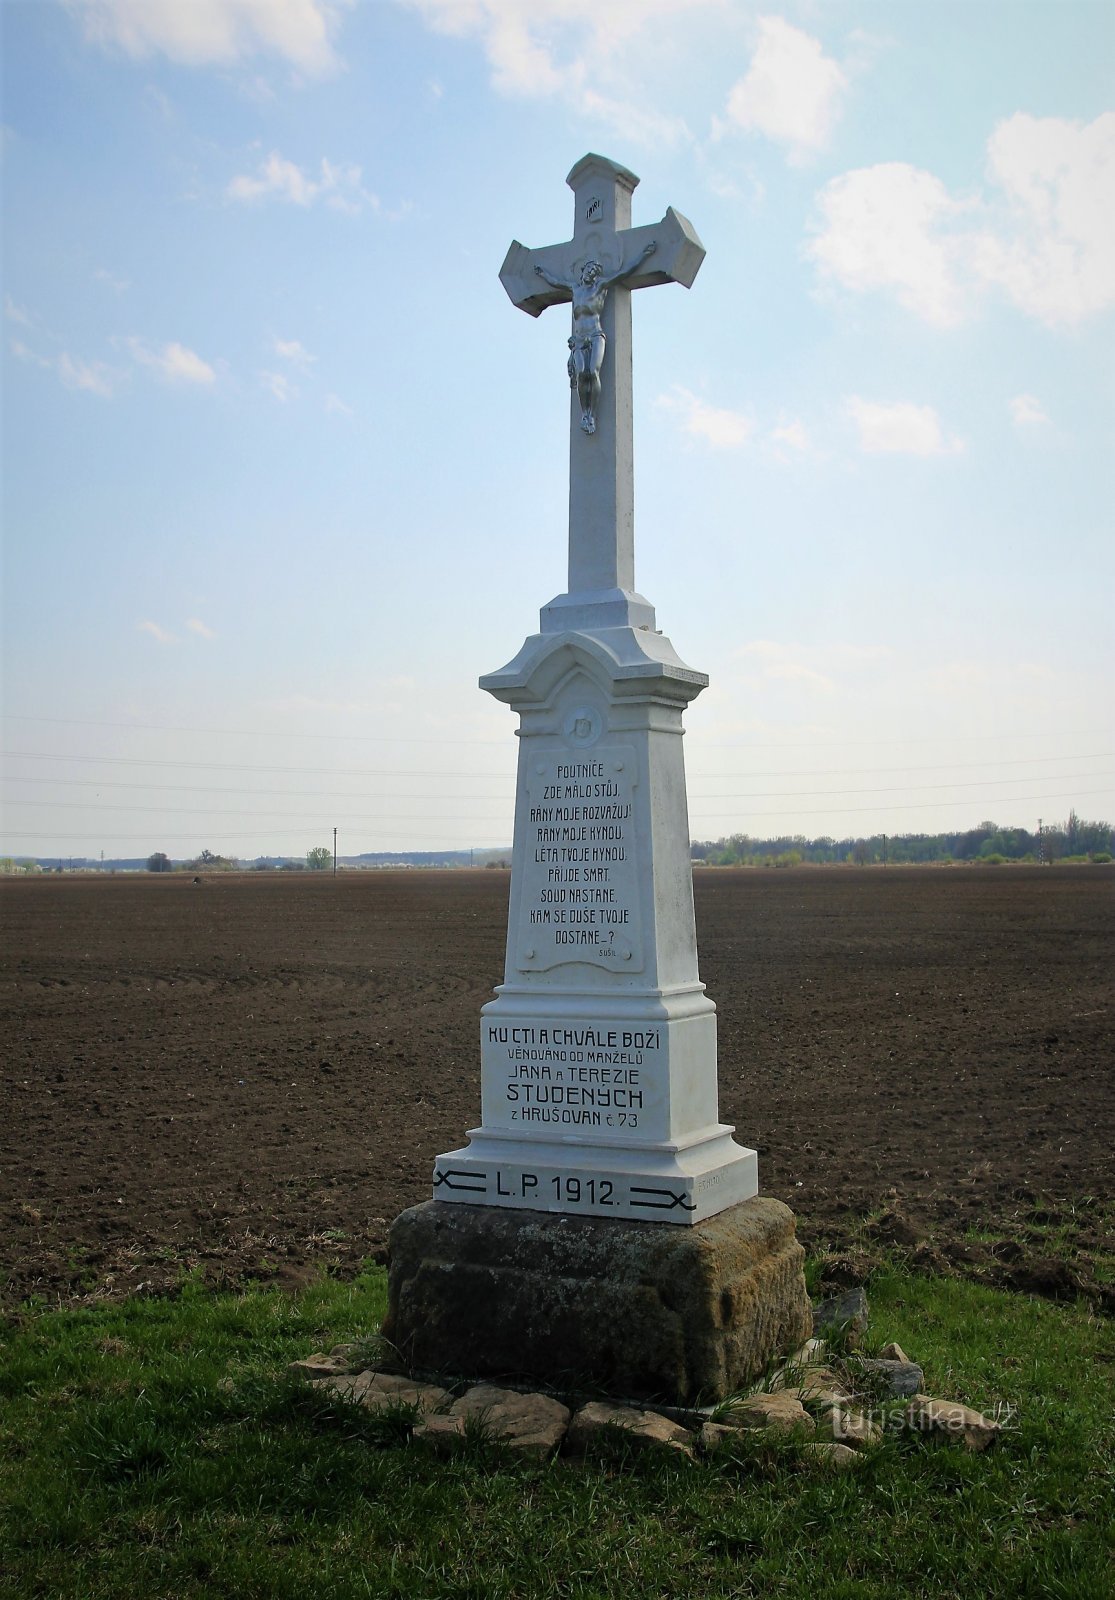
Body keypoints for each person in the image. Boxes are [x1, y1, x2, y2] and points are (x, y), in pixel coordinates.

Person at [534, 241, 657, 433]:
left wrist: (644, 255)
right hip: (579, 340)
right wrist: (542, 274)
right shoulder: (574, 288)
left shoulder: (600, 287)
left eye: (594, 272)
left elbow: (624, 272)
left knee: (592, 372)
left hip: (596, 335)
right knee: (582, 374)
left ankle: (591, 413)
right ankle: (586, 413)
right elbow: (555, 281)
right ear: (583, 271)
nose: (591, 274)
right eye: (589, 270)